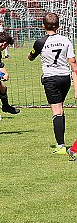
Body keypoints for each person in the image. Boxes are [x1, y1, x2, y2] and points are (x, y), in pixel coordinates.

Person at [28, 12, 77, 156]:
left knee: (56, 111)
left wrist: (33, 54)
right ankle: (62, 141)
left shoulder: (40, 42)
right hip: (65, 78)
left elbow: (31, 57)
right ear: (58, 26)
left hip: (51, 78)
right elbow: (73, 62)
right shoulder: (66, 40)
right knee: (61, 109)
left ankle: (61, 146)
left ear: (43, 26)